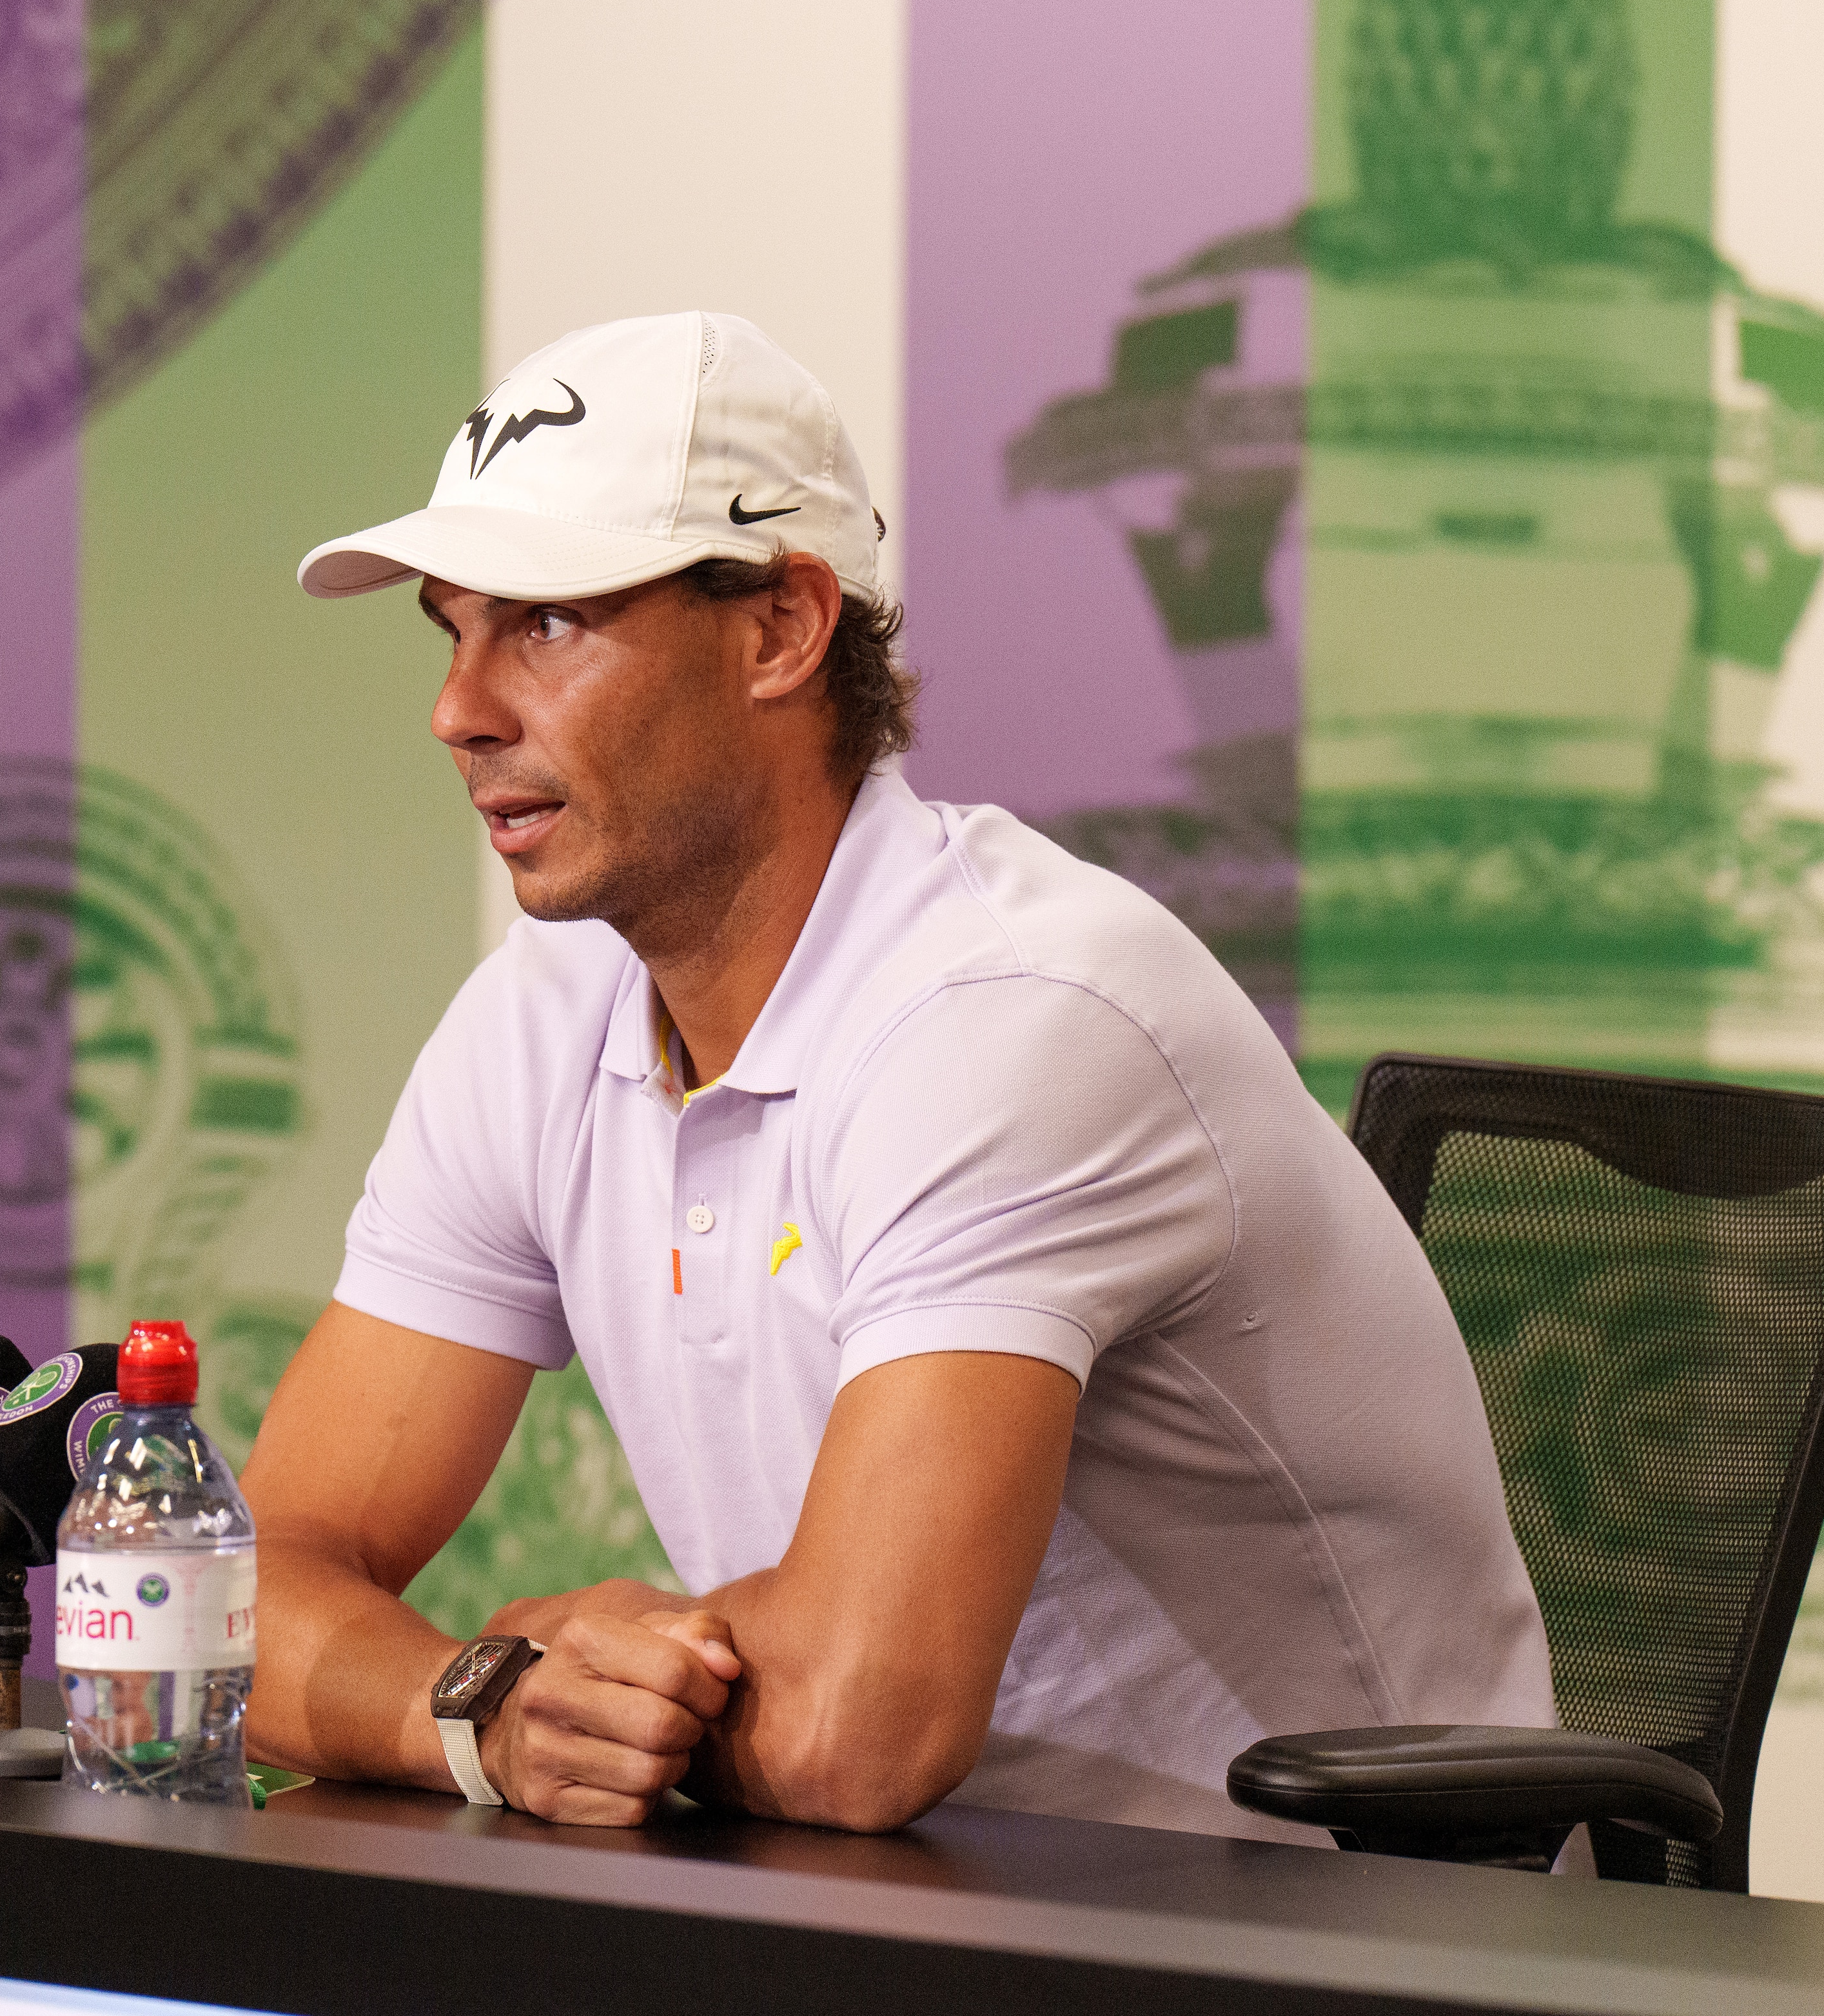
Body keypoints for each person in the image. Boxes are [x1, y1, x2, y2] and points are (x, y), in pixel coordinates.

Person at [240, 311, 1552, 1835]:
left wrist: (593, 1698)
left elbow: (857, 1734)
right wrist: (482, 1711)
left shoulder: (1014, 1019)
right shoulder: (540, 1018)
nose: (458, 711)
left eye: (546, 625)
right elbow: (242, 1586)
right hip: (925, 1916)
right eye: (451, 628)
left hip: (1353, 1938)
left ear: (781, 632)